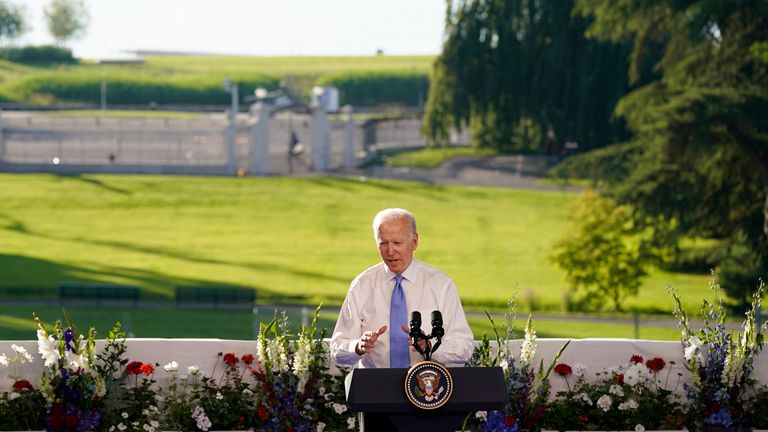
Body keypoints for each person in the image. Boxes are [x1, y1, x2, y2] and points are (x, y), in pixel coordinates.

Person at [330, 208, 475, 368]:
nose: (390, 251)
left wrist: (430, 346)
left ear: (414, 242)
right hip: (376, 385)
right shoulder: (362, 285)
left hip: (427, 386)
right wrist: (358, 346)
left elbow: (465, 348)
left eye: (397, 243)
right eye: (383, 243)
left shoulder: (441, 285)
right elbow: (337, 349)